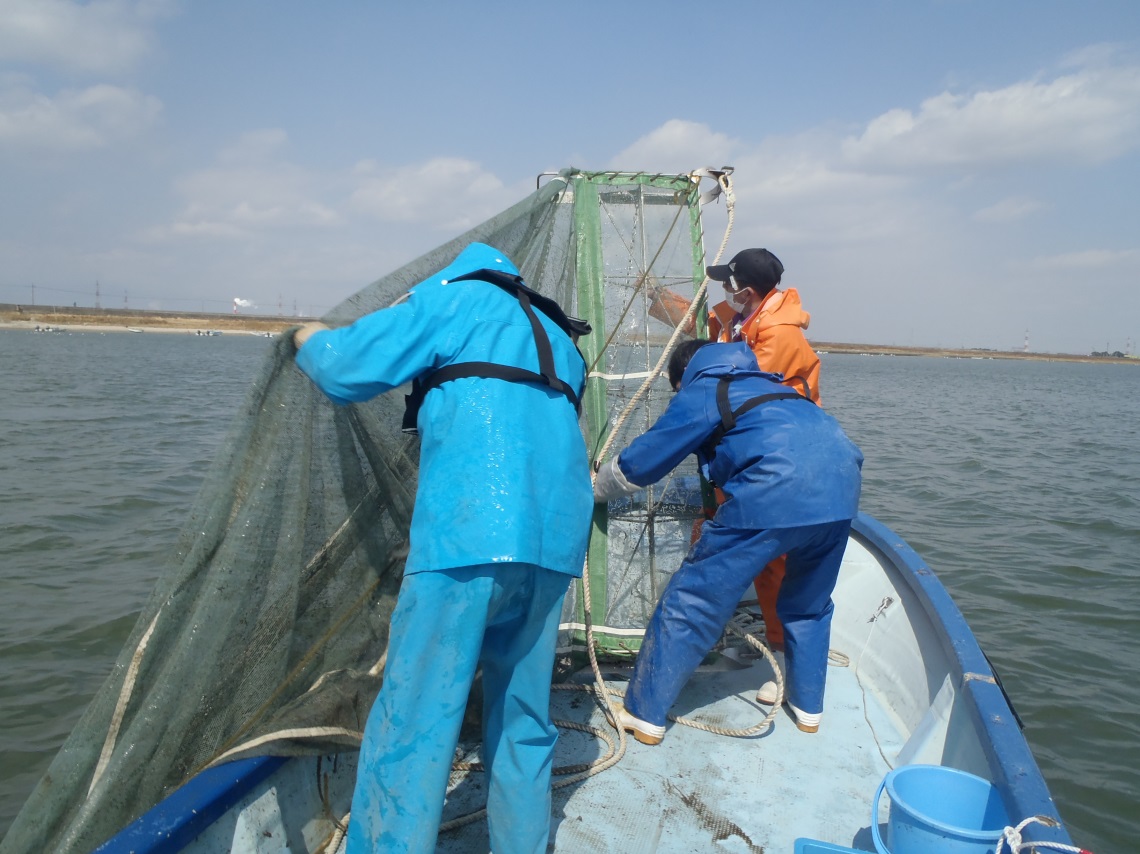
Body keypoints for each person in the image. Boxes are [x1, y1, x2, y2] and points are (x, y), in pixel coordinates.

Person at [293, 242, 594, 854]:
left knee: (415, 720)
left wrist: (304, 338)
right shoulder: (564, 341)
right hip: (555, 544)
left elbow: (347, 368)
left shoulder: (455, 299)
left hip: (469, 535)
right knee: (523, 721)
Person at [593, 339, 862, 741]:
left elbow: (645, 461)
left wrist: (595, 486)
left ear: (684, 377)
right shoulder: (779, 387)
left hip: (773, 494)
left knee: (693, 600)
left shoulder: (706, 387)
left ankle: (644, 714)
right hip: (841, 493)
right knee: (808, 606)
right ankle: (808, 709)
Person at [649, 248, 821, 655]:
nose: (723, 288)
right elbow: (698, 324)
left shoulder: (779, 333)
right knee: (708, 531)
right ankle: (706, 628)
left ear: (745, 290)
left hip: (773, 450)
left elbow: (742, 387)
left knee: (771, 556)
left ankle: (781, 650)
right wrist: (653, 294)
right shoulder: (744, 317)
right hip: (739, 449)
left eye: (728, 282)